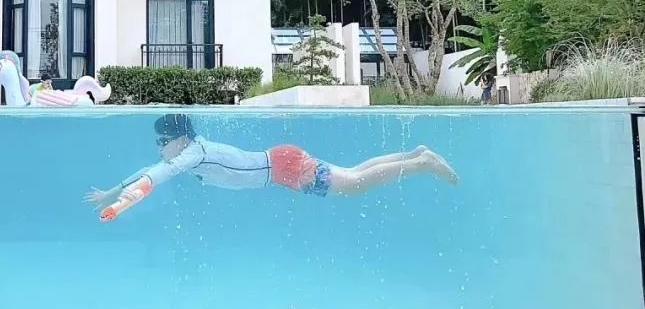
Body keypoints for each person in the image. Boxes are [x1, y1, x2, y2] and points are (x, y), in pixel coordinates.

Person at [84, 114, 458, 213]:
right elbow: (149, 171)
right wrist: (113, 191)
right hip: (282, 164)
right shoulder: (189, 153)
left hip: (284, 168)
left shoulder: (193, 153)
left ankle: (422, 163)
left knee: (355, 184)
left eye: (161, 142)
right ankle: (414, 155)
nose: (159, 148)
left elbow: (158, 175)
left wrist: (124, 201)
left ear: (179, 139)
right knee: (354, 173)